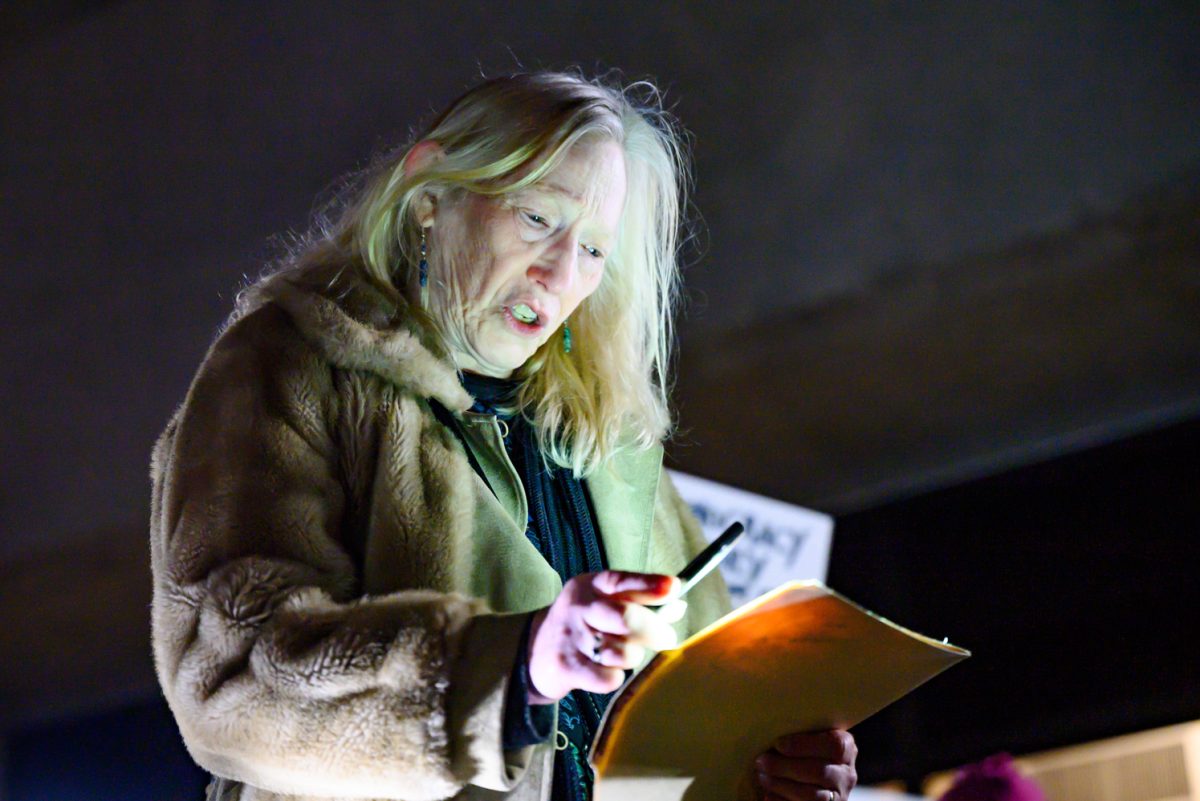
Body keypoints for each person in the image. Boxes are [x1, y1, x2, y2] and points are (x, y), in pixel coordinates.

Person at [150, 71, 858, 801]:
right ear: (428, 194)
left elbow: (698, 722)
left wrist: (771, 768)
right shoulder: (289, 362)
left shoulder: (604, 435)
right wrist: (518, 667)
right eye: (537, 219)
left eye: (592, 249)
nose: (560, 273)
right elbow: (231, 682)